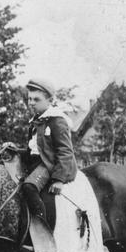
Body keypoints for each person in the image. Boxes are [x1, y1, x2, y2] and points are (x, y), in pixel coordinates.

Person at [22, 78, 78, 235]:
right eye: (29, 99)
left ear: (50, 100)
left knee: (29, 187)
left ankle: (42, 231)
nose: (31, 103)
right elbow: (34, 149)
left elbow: (65, 151)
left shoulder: (56, 121)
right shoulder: (36, 121)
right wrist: (14, 150)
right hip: (36, 162)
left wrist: (59, 179)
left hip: (49, 164)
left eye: (36, 99)